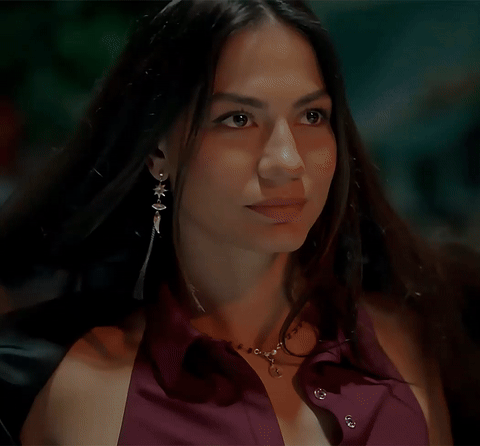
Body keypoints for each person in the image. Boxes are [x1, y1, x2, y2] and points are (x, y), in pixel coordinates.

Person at [0, 0, 479, 445]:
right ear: (158, 150)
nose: (287, 160)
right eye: (237, 119)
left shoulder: (401, 342)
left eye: (312, 115)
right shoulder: (89, 394)